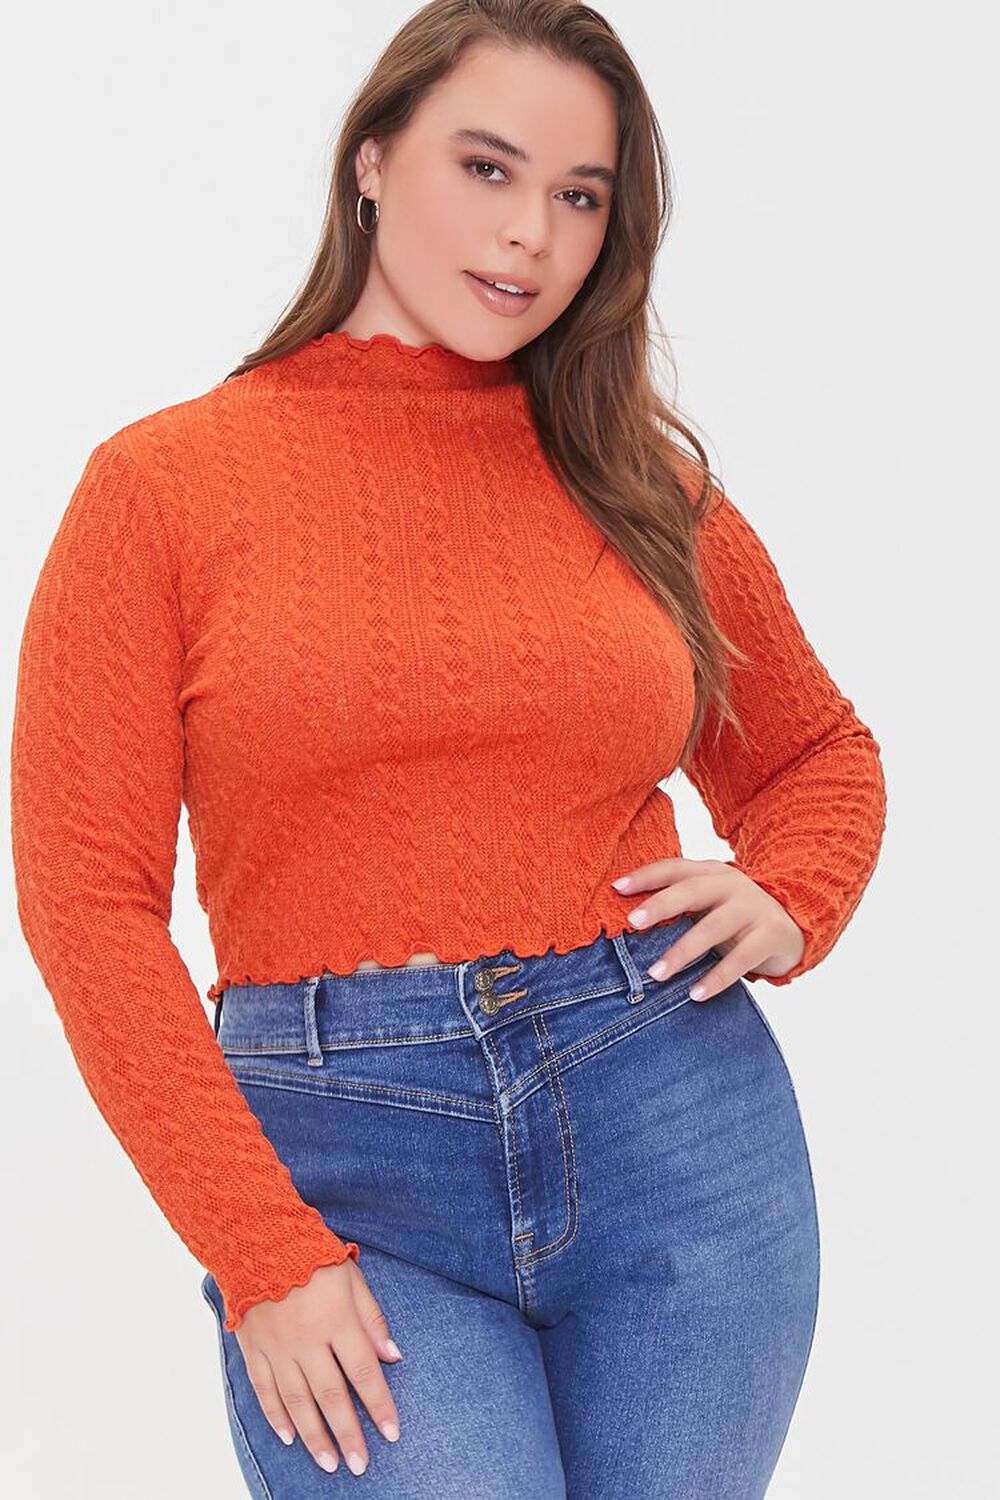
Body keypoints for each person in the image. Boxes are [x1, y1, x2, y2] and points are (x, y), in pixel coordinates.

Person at [9, 2, 887, 1495]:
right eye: (488, 168)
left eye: (580, 195)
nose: (532, 233)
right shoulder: (163, 488)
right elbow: (86, 900)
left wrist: (793, 890)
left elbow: (814, 750)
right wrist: (260, 1252)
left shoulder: (636, 480)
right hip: (346, 1168)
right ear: (371, 160)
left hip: (675, 1127)